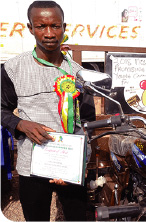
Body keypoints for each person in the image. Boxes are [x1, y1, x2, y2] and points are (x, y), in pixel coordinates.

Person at [1, 1, 95, 221]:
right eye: (41, 26)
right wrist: (20, 124)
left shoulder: (80, 74)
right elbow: (2, 109)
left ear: (64, 27)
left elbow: (89, 123)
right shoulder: (13, 68)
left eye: (55, 26)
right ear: (30, 28)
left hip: (70, 167)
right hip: (31, 166)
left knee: (76, 217)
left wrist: (81, 162)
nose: (49, 33)